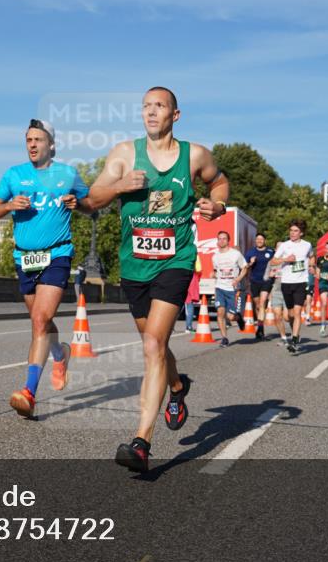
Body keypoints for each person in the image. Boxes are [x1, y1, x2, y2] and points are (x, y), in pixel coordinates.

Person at [87, 86, 229, 472]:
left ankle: (141, 442)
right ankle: (178, 386)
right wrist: (120, 186)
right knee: (156, 344)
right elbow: (93, 198)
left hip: (177, 260)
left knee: (152, 344)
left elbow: (219, 181)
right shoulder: (123, 154)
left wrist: (217, 205)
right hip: (134, 266)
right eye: (146, 107)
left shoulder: (194, 155)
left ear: (175, 115)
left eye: (160, 106)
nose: (151, 113)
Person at [0, 119, 95, 418]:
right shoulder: (14, 175)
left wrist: (78, 204)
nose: (32, 144)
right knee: (42, 323)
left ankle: (29, 392)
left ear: (51, 144)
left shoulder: (67, 174)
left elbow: (91, 205)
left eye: (38, 139)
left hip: (57, 254)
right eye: (28, 140)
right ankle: (60, 354)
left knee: (39, 321)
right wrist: (9, 206)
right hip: (25, 258)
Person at [269, 219, 314, 353]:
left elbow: (312, 256)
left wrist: (312, 266)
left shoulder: (307, 245)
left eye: (295, 231)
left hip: (301, 282)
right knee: (289, 315)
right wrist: (285, 259)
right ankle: (295, 329)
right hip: (286, 282)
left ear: (301, 233)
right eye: (291, 231)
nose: (292, 233)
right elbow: (273, 261)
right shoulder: (284, 246)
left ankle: (294, 340)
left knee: (297, 311)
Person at [211, 231, 248, 347]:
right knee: (220, 312)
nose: (221, 241)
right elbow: (216, 271)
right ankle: (224, 338)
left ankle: (239, 318)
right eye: (219, 239)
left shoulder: (235, 254)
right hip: (220, 287)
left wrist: (238, 279)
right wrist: (213, 274)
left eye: (224, 239)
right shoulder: (215, 256)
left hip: (232, 289)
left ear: (228, 240)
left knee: (231, 317)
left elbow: (245, 268)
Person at [245, 233, 275, 340]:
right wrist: (250, 263)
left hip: (266, 280)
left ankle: (260, 329)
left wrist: (273, 272)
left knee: (262, 303)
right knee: (257, 305)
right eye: (257, 239)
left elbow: (276, 263)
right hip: (254, 281)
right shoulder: (251, 252)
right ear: (255, 241)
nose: (259, 241)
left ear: (264, 241)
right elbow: (245, 266)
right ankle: (260, 325)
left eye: (261, 239)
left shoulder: (271, 252)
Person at [184, 258, 201, 333]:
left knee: (177, 310)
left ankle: (170, 326)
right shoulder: (195, 274)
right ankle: (188, 327)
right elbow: (199, 270)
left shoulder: (186, 272)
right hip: (188, 294)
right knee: (189, 310)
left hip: (187, 293)